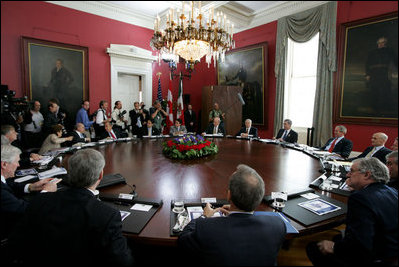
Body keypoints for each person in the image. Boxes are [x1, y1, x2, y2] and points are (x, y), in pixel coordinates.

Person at [8, 149, 134, 266]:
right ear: (100, 175)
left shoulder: (40, 200)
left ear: (68, 172)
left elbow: (15, 242)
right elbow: (122, 261)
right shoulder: (107, 215)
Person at [178, 164, 286, 266]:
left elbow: (183, 242)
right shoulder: (277, 225)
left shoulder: (206, 228)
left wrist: (204, 216)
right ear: (259, 197)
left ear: (229, 195)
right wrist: (239, 211)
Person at [306, 157, 398, 266]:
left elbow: (360, 246)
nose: (347, 175)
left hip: (374, 258)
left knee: (313, 248)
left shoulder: (360, 198)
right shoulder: (393, 191)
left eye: (352, 171)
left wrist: (333, 247)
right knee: (338, 238)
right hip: (392, 253)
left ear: (366, 175)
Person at [1, 145, 57, 240]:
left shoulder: (3, 181)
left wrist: (31, 187)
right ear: (4, 164)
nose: (18, 165)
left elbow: (9, 185)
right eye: (17, 162)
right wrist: (46, 191)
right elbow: (25, 209)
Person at [365, 37, 398, 117]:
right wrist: (367, 74)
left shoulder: (389, 51)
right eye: (379, 43)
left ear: (385, 43)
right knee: (374, 90)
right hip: (373, 73)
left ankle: (387, 107)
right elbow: (367, 64)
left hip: (384, 72)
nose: (380, 44)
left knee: (386, 88)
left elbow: (396, 61)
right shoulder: (372, 52)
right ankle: (375, 108)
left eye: (382, 42)